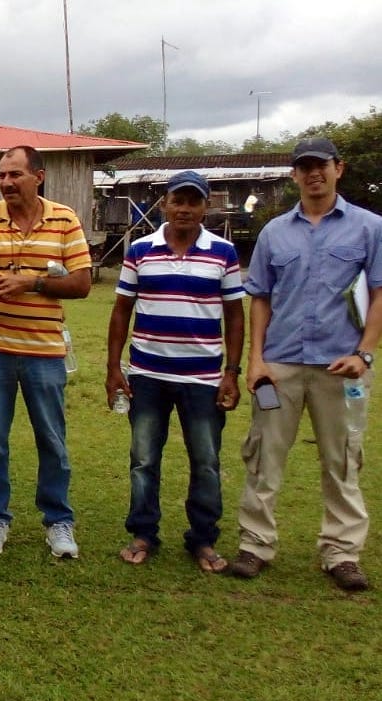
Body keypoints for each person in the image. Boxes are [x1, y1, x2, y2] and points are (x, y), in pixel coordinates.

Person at [232, 137, 382, 591]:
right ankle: (255, 544)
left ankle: (341, 552)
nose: (313, 174)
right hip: (280, 364)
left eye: (321, 166)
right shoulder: (276, 232)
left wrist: (364, 353)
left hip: (342, 366)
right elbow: (258, 298)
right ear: (294, 175)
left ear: (339, 168)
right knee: (264, 458)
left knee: (342, 461)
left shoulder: (369, 227)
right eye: (304, 167)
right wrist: (255, 360)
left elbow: (378, 294)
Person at [0, 145, 92, 558]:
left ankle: (58, 522)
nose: (6, 183)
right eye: (1, 176)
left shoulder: (65, 219)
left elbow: (83, 283)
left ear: (39, 176)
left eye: (15, 174)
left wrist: (31, 282)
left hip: (45, 352)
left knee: (52, 439)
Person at [105, 171, 244, 572]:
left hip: (202, 379)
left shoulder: (223, 252)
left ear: (206, 207)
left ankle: (202, 540)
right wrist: (115, 368)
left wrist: (231, 372)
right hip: (147, 374)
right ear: (164, 203)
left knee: (205, 460)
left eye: (193, 202)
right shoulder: (140, 249)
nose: (184, 209)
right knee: (144, 459)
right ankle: (144, 532)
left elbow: (235, 316)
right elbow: (121, 311)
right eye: (177, 201)